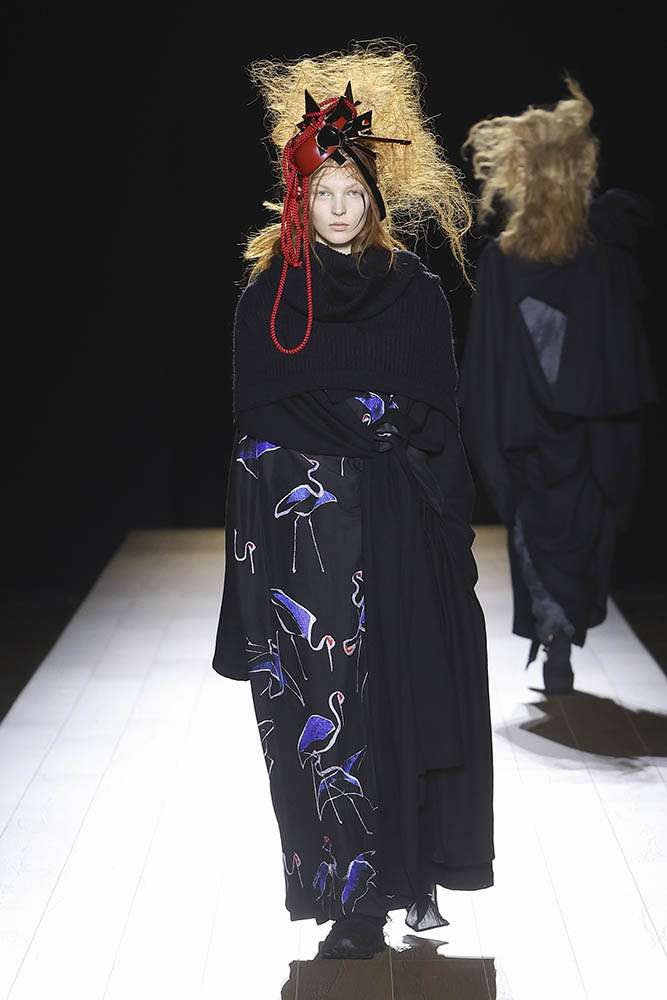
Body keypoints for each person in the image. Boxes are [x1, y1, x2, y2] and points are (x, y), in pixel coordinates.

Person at [213, 42, 494, 959]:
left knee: (396, 708)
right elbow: (256, 431)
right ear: (298, 200)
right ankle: (348, 899)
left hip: (399, 535)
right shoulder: (267, 301)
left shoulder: (412, 293)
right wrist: (364, 423)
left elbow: (437, 419)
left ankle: (397, 879)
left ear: (374, 199)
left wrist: (371, 430)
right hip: (304, 559)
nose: (338, 208)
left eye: (353, 192)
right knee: (319, 726)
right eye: (322, 193)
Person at [459, 78, 657, 694]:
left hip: (528, 442)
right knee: (579, 547)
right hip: (591, 441)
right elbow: (625, 348)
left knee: (538, 548)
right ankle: (560, 638)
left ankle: (555, 637)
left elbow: (486, 370)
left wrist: (489, 448)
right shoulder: (602, 255)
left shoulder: (505, 261)